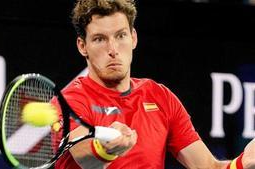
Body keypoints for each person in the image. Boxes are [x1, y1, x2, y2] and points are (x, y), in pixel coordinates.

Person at [55, 0, 255, 168]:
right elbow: (84, 157)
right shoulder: (70, 100)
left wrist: (243, 162)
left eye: (121, 36)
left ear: (133, 38)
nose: (113, 49)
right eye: (100, 39)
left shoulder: (160, 97)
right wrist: (106, 149)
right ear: (83, 46)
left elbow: (206, 166)